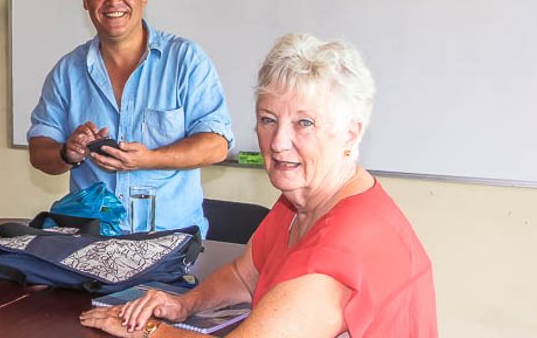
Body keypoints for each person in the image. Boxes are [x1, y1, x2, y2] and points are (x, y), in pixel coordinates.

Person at [80, 33, 437, 337]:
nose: (278, 142)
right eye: (268, 119)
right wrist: (185, 304)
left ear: (351, 134)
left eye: (304, 123)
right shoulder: (298, 203)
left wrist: (146, 330)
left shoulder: (347, 245)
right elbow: (244, 275)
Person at [27, 0, 234, 237]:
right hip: (90, 242)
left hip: (171, 242)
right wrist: (67, 153)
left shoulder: (186, 60)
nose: (114, 1)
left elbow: (216, 145)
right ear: (85, 0)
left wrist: (150, 159)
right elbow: (39, 151)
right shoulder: (67, 72)